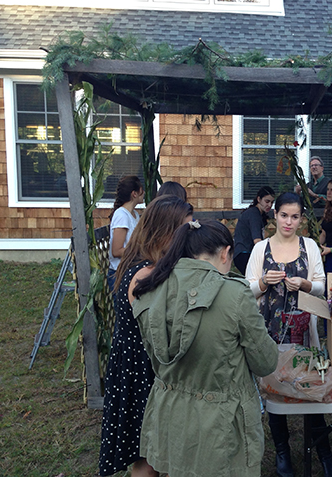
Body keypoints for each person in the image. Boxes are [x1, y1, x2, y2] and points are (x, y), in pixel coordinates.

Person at [131, 220, 278, 477]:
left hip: (169, 415)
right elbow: (266, 362)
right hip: (221, 424)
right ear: (225, 253)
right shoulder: (234, 294)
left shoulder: (149, 288)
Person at [245, 192, 332, 477]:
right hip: (270, 332)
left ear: (301, 219)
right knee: (275, 391)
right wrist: (262, 281)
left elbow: (323, 285)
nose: (289, 222)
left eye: (295, 217)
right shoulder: (261, 249)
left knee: (311, 388)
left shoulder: (309, 246)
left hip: (303, 333)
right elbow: (246, 289)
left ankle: (322, 451)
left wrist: (306, 285)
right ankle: (282, 452)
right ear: (274, 215)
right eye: (284, 215)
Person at [99, 195, 194, 477]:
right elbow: (165, 329)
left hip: (137, 365)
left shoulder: (145, 262)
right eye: (184, 231)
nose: (187, 239)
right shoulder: (145, 274)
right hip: (140, 369)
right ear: (164, 232)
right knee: (147, 455)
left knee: (156, 447)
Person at [108, 175, 144, 292]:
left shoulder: (135, 214)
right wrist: (140, 252)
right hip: (120, 273)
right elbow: (116, 251)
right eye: (141, 190)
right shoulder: (122, 215)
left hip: (130, 270)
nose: (143, 193)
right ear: (134, 194)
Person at [233, 186, 275, 275]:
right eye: (267, 201)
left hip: (242, 254)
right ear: (259, 199)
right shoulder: (254, 214)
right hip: (245, 254)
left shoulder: (256, 214)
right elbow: (257, 241)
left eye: (272, 202)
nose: (270, 205)